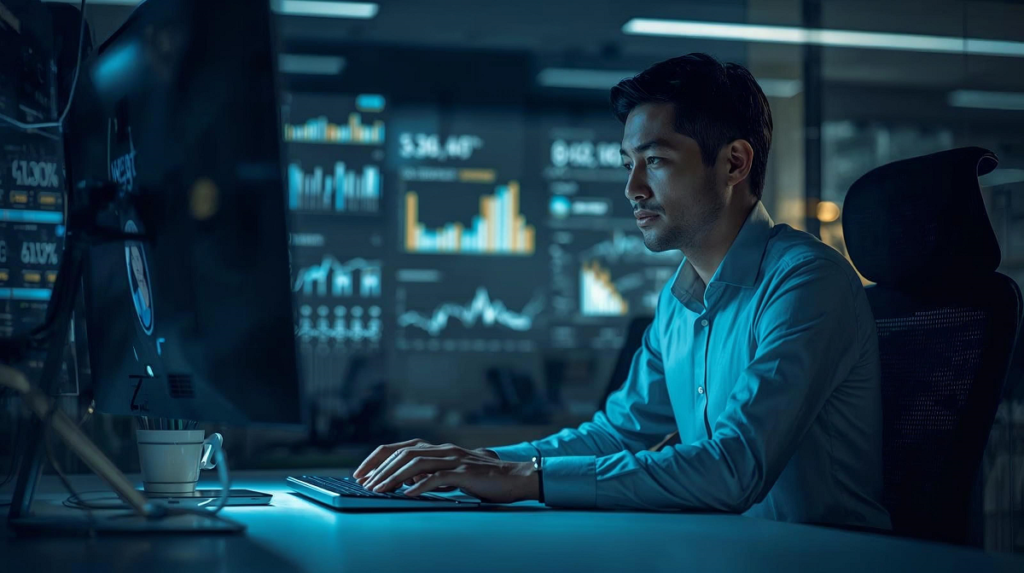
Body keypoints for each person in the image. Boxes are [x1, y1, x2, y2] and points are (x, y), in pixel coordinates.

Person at [354, 53, 891, 529]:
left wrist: (528, 478)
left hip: (826, 557)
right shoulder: (680, 302)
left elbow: (733, 469)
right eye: (628, 164)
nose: (633, 189)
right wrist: (479, 462)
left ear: (734, 163)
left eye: (654, 161)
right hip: (734, 551)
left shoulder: (806, 283)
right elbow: (618, 436)